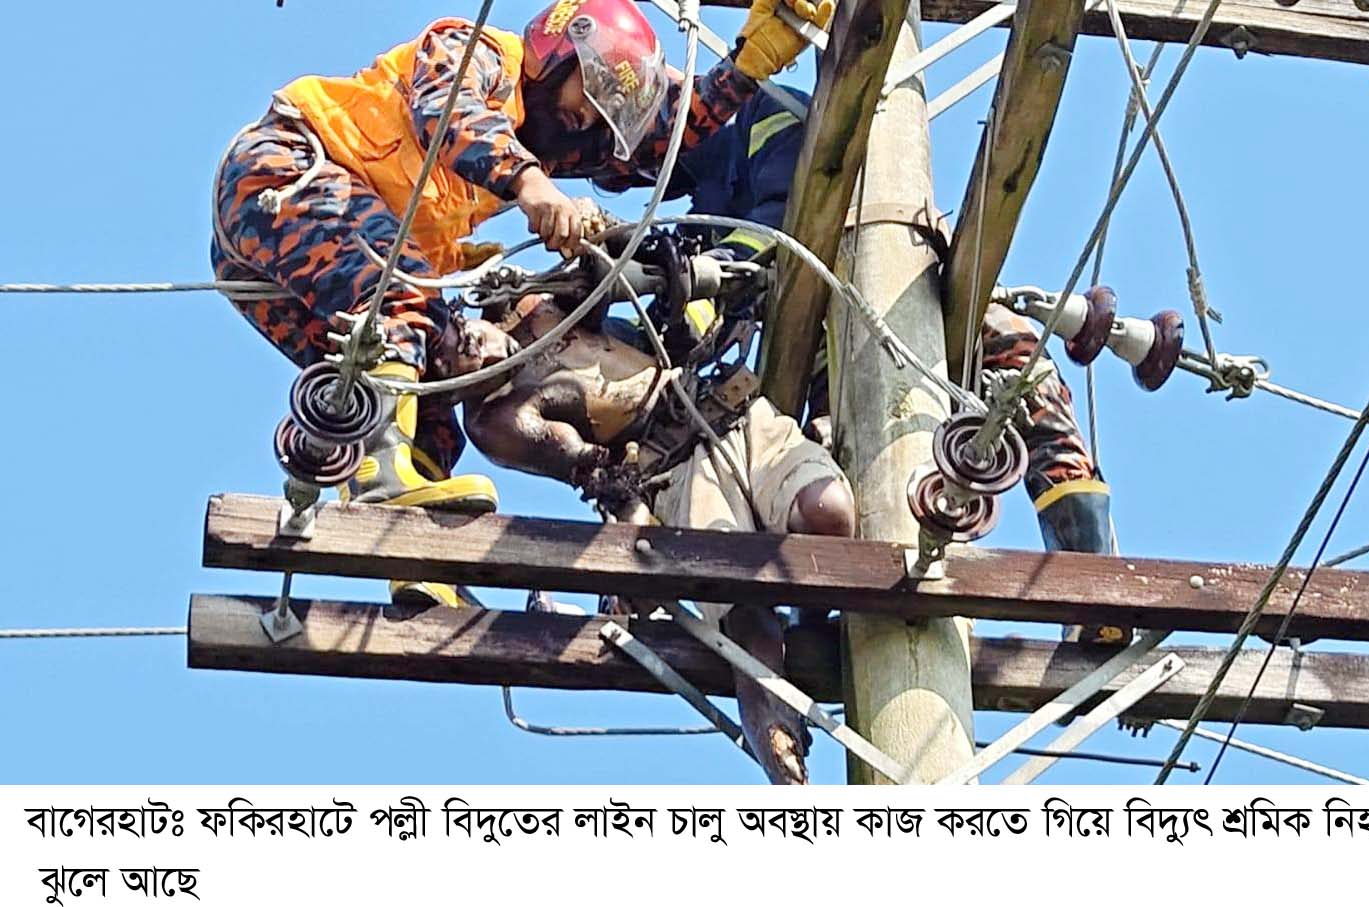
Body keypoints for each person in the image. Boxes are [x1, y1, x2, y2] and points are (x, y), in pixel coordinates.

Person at [210, 0, 830, 610]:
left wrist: (745, 69)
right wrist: (533, 187)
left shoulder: (553, 133)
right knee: (402, 300)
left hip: (289, 247)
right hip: (286, 171)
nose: (587, 117)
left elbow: (660, 141)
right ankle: (378, 477)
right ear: (557, 56)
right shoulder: (477, 53)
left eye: (601, 112)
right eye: (588, 96)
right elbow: (447, 114)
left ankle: (420, 562)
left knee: (440, 379)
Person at [652, 85, 1128, 646]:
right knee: (834, 462)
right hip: (831, 340)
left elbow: (776, 212)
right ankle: (825, 616)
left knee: (1026, 379)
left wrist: (707, 273)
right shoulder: (699, 212)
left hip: (909, 281)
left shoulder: (762, 111)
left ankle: (1091, 580)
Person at [463, 290, 853, 785]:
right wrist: (628, 516)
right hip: (673, 476)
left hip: (730, 412)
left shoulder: (533, 303)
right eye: (448, 365)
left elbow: (605, 282)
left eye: (454, 337)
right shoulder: (495, 418)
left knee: (828, 514)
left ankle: (811, 617)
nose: (468, 353)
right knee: (745, 615)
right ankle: (789, 775)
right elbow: (583, 462)